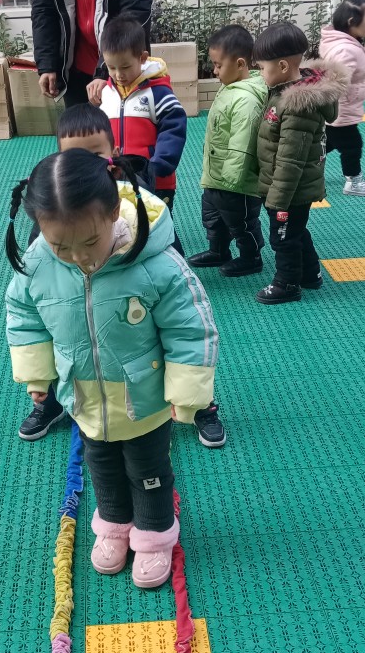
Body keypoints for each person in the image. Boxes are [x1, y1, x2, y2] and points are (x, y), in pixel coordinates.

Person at [5, 150, 219, 588]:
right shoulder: (39, 264)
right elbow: (24, 317)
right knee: (101, 465)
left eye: (89, 242)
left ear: (114, 213)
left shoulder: (156, 265)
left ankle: (155, 534)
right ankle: (115, 526)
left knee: (148, 468)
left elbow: (190, 328)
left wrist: (187, 393)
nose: (78, 257)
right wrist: (38, 375)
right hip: (84, 397)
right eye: (61, 246)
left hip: (145, 397)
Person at [18, 104, 226, 451]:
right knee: (70, 347)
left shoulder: (140, 202)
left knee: (180, 351)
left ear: (113, 153)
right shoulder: (55, 212)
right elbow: (30, 297)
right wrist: (37, 373)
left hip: (139, 335)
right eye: (74, 156)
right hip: (82, 344)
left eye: (95, 154)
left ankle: (202, 406)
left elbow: (177, 294)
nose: (86, 165)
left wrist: (191, 390)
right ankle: (52, 401)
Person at [253, 21, 349, 305]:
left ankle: (287, 284)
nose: (260, 73)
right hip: (291, 188)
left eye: (262, 67)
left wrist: (278, 199)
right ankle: (310, 274)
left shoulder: (297, 106)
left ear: (283, 66)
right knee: (296, 231)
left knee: (283, 237)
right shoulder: (286, 91)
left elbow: (290, 158)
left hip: (289, 191)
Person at [89, 14, 187, 253]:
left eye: (125, 67)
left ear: (142, 59)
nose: (118, 74)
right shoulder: (107, 94)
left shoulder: (157, 93)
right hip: (116, 177)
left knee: (158, 225)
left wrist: (159, 164)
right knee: (124, 224)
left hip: (155, 177)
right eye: (111, 67)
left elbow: (174, 126)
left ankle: (175, 264)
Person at [188, 25, 268, 278]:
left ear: (240, 63)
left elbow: (242, 143)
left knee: (240, 220)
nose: (214, 71)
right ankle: (219, 250)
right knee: (212, 216)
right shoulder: (229, 87)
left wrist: (231, 181)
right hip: (216, 176)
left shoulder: (247, 99)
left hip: (236, 182)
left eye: (218, 65)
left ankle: (251, 257)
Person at [319, 0, 365, 196]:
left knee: (327, 144)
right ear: (352, 22)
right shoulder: (345, 50)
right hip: (341, 110)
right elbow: (335, 83)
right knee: (353, 145)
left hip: (342, 109)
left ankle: (302, 168)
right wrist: (338, 104)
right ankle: (353, 182)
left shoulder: (351, 43)